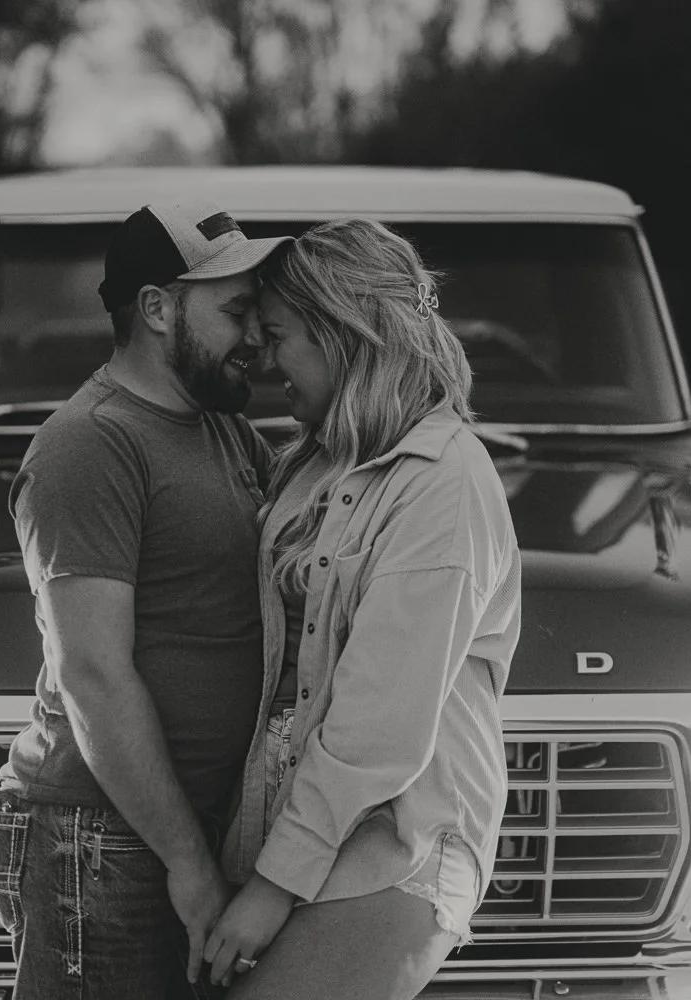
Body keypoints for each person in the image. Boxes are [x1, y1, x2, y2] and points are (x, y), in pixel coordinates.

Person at [0, 200, 291, 999]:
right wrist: (188, 864)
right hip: (100, 838)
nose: (256, 339)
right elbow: (91, 672)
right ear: (156, 307)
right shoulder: (90, 443)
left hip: (177, 831)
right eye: (235, 313)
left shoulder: (223, 430)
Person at [202, 219, 521, 998]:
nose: (265, 358)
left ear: (344, 333)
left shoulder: (444, 483)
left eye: (279, 335)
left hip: (397, 838)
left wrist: (272, 887)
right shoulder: (318, 461)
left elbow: (380, 727)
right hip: (306, 830)